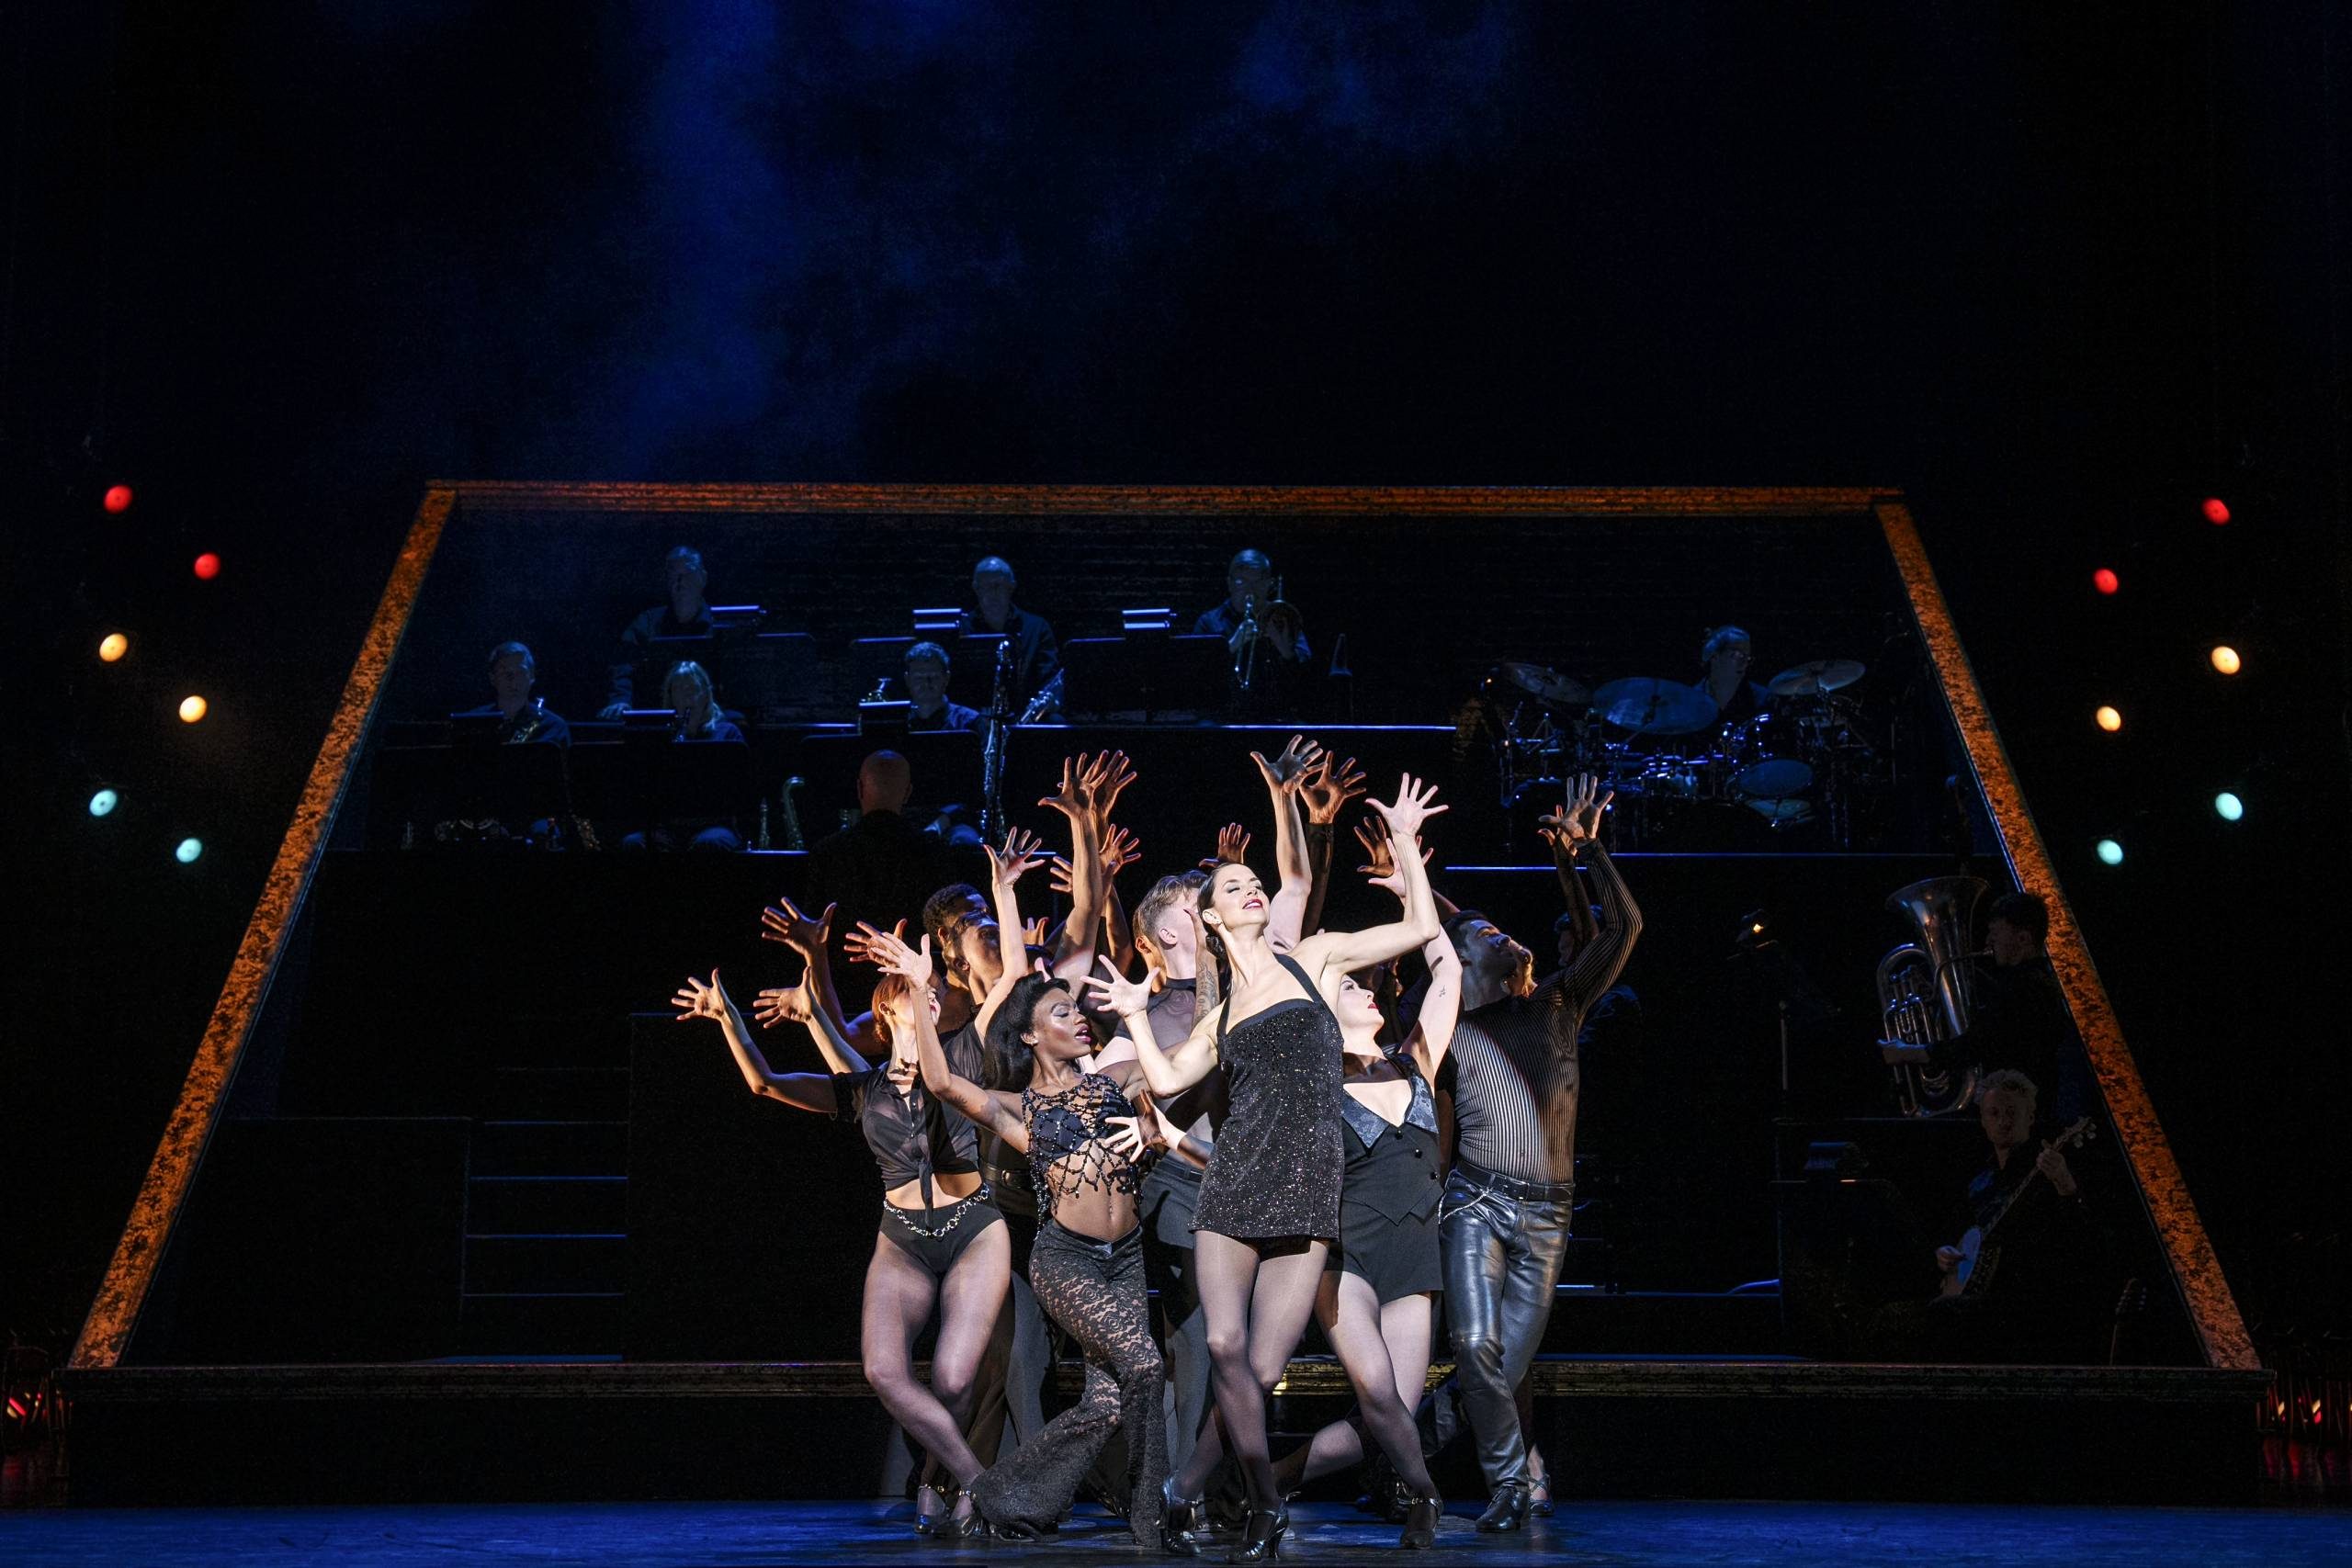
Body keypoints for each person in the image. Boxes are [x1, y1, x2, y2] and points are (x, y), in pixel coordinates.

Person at [1098, 764, 1451, 1562]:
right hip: (1232, 1185)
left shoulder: (1315, 959)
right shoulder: (1220, 1014)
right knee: (1226, 1348)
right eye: (1234, 886)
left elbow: (1420, 925)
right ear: (1211, 916)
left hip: (1306, 1192)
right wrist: (1136, 1017)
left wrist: (1404, 839)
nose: (1252, 889)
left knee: (1258, 1367)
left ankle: (1420, 1490)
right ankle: (1264, 1503)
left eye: (1255, 882)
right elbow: (1167, 1080)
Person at [671, 962, 1008, 1541]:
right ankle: (978, 1483)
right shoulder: (862, 1089)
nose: (927, 995)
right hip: (902, 1239)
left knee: (954, 1381)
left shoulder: (963, 1056)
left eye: (930, 989)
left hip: (973, 1229)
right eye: (912, 990)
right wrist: (729, 1020)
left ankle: (936, 1482)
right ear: (886, 1010)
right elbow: (765, 1083)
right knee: (883, 1370)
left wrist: (936, 965)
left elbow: (1007, 981)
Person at [867, 924, 1170, 1547]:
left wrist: (1150, 1106)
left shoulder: (1117, 1080)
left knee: (1107, 1400)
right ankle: (1152, 1520)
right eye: (1061, 1011)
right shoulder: (1018, 1108)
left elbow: (1179, 1070)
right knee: (1144, 1363)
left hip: (1127, 1258)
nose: (1078, 1017)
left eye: (1078, 1009)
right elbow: (942, 1083)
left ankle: (1006, 1495)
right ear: (1031, 1034)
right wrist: (921, 989)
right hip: (1066, 1258)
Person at [1418, 774, 1641, 1532]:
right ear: (1459, 958)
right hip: (1475, 1200)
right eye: (1486, 933)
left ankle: (1401, 1453)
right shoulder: (1449, 1028)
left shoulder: (1557, 1001)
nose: (1504, 934)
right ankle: (1511, 1485)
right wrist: (1417, 883)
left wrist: (1587, 855)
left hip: (1548, 1214)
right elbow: (1439, 932)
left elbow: (1626, 926)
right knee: (1474, 1344)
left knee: (1500, 1365)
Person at [1270, 818, 1463, 1537]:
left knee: (1393, 1411)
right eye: (1351, 984)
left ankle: (1280, 1474)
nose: (1368, 988)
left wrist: (1412, 874)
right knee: (1377, 1391)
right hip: (1346, 1254)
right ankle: (1426, 1496)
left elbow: (1448, 973)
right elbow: (1290, 971)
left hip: (1413, 1254)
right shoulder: (1316, 1075)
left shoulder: (1416, 1061)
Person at [1924, 1069, 2102, 1361]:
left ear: (2030, 1117)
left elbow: (2086, 1241)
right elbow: (1954, 1233)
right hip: (1982, 1291)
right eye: (1994, 1113)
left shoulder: (2048, 1169)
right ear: (1983, 1121)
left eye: (2012, 1113)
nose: (2004, 1121)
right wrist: (1944, 1253)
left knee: (1943, 1313)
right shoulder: (1979, 1180)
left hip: (2029, 1299)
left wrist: (2066, 1186)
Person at [1882, 890, 2079, 1122]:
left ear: (2023, 939)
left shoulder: (2029, 987)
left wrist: (1911, 1052)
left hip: (2016, 1115)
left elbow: (1980, 1043)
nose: (1988, 941)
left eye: (1995, 932)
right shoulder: (2024, 983)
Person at [804, 752, 964, 945]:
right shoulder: (935, 851)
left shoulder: (826, 852)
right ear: (908, 793)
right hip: (914, 962)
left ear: (859, 789)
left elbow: (814, 925)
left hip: (839, 963)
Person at [619, 661, 746, 852]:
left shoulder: (727, 733)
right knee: (634, 843)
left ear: (706, 695)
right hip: (669, 827)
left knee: (710, 843)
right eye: (679, 690)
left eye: (693, 689)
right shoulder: (661, 736)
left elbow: (740, 790)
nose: (687, 696)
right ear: (671, 697)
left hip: (713, 824)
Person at [602, 545, 714, 716]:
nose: (681, 582)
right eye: (674, 575)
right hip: (657, 712)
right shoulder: (647, 623)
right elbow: (623, 663)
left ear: (703, 578)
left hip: (709, 716)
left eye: (688, 574)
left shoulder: (718, 624)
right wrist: (621, 699)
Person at [957, 557, 1060, 716]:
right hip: (972, 717)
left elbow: (1047, 677)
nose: (993, 593)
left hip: (1022, 713)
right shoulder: (961, 629)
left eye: (998, 585)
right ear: (976, 589)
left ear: (1011, 587)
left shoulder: (1037, 628)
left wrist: (1049, 702)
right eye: (986, 586)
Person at [1193, 548, 1309, 667]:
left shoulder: (1283, 618)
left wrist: (1286, 650)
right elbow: (1198, 670)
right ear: (1230, 583)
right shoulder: (1208, 622)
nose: (1251, 589)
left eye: (1259, 582)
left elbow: (1308, 669)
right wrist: (1232, 645)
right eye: (1242, 581)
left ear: (1269, 584)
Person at [462, 641, 571, 746]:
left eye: (520, 672)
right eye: (505, 673)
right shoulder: (472, 724)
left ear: (532, 676)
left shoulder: (554, 727)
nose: (513, 680)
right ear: (492, 679)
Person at [902, 640, 985, 734]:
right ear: (907, 679)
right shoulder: (896, 722)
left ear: (947, 678)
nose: (926, 683)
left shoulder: (970, 721)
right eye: (919, 678)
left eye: (934, 677)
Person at [1696, 624, 1770, 727]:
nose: (1744, 664)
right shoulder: (1691, 700)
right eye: (1737, 655)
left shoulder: (1763, 699)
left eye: (1747, 658)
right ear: (1715, 656)